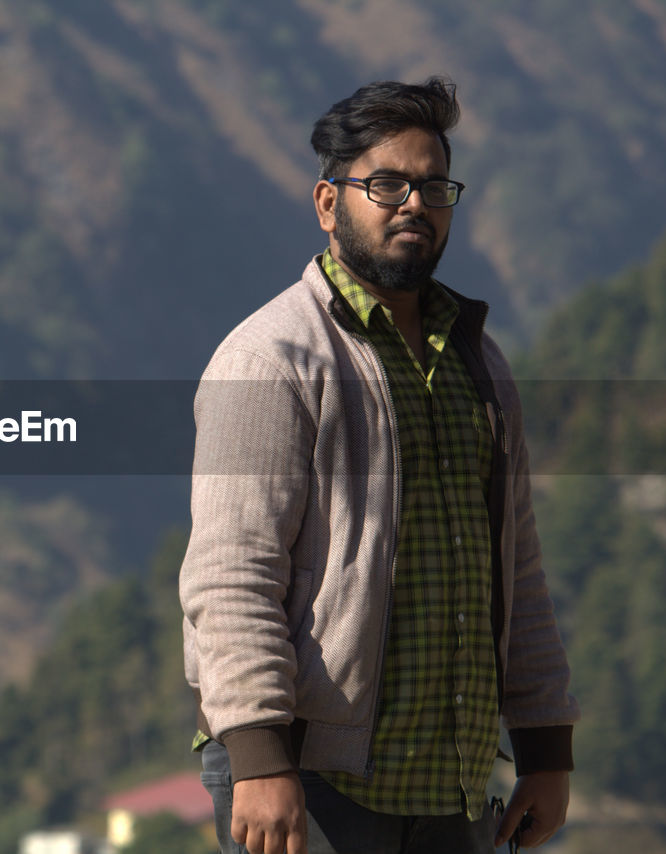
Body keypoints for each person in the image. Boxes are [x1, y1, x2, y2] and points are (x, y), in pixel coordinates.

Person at [179, 77, 580, 854]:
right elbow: (231, 572)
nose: (414, 204)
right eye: (387, 184)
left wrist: (544, 749)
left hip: (451, 784)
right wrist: (260, 756)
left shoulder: (478, 362)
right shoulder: (271, 358)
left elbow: (517, 570)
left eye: (434, 186)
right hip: (315, 784)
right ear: (330, 204)